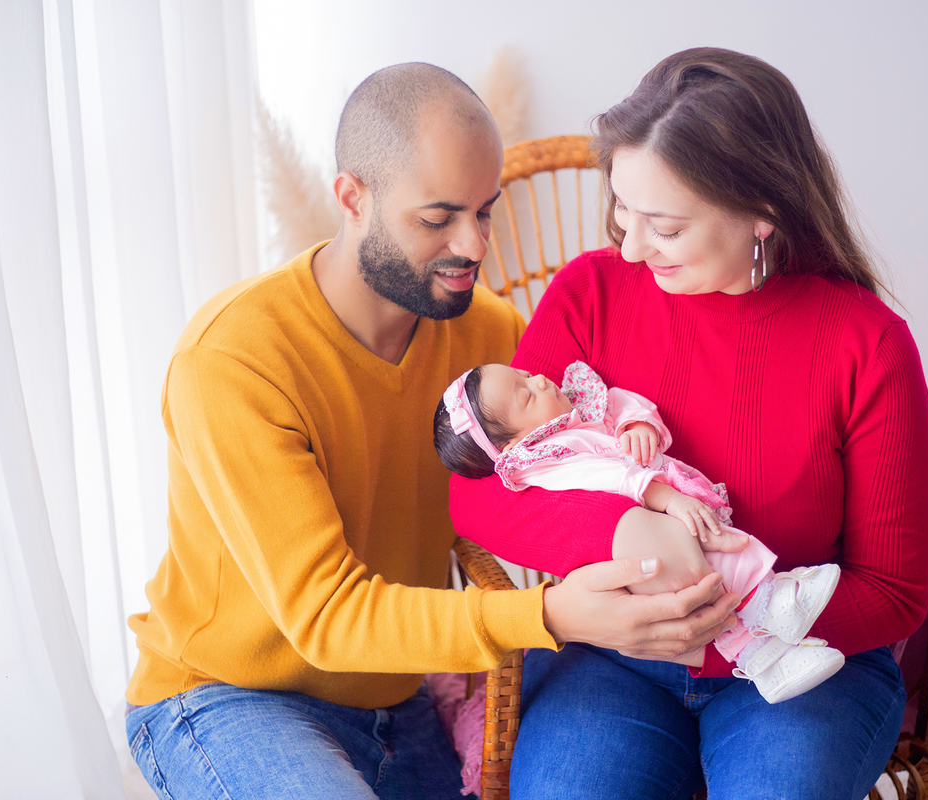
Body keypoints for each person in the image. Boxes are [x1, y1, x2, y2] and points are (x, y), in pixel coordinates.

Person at [123, 62, 740, 800]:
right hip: (227, 697)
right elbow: (326, 615)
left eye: (485, 211)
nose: (476, 246)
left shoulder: (489, 335)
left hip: (399, 697)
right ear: (352, 198)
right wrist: (548, 614)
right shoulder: (235, 359)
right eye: (438, 217)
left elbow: (584, 451)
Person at [449, 48, 928, 800]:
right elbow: (479, 492)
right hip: (614, 658)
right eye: (621, 210)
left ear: (762, 216)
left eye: (665, 226)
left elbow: (898, 589)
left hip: (805, 664)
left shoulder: (865, 344)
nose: (632, 248)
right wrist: (621, 546)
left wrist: (741, 612)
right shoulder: (590, 293)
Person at [434, 359, 847, 704]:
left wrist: (637, 424)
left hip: (658, 507)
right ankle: (774, 600)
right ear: (515, 446)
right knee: (715, 553)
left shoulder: (575, 410)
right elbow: (608, 476)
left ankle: (767, 661)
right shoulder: (547, 459)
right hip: (651, 516)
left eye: (523, 374)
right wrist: (666, 498)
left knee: (711, 553)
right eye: (526, 394)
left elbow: (620, 403)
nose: (538, 379)